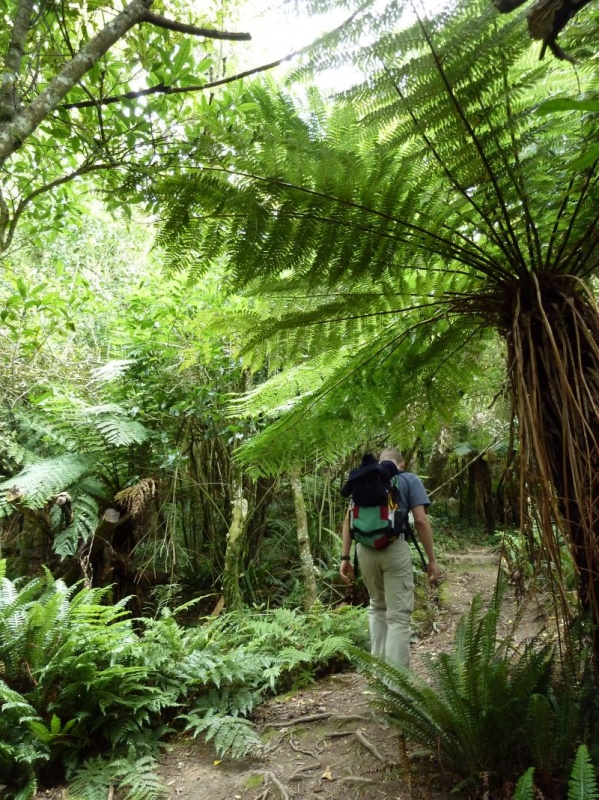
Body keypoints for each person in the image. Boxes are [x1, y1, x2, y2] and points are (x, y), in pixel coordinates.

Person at [339, 446, 442, 669]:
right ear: (401, 464)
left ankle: (378, 675)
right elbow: (421, 521)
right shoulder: (409, 480)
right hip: (394, 549)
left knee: (377, 607)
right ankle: (397, 685)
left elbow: (348, 521)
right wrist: (431, 560)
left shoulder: (364, 478)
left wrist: (345, 558)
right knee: (398, 617)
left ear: (380, 461)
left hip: (364, 551)